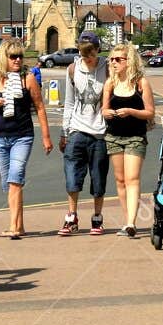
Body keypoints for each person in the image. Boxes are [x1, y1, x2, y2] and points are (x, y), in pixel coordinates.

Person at [0, 38, 52, 240]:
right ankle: (19, 225)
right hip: (1, 138)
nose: (18, 60)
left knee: (15, 179)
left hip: (23, 136)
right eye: (13, 56)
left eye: (20, 55)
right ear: (4, 58)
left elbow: (39, 107)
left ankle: (13, 226)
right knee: (9, 184)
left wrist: (46, 136)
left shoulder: (27, 78)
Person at [101, 42, 156, 238]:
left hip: (135, 136)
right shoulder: (110, 83)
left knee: (132, 178)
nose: (114, 63)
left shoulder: (141, 83)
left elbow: (150, 112)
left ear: (129, 61)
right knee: (120, 180)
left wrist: (131, 111)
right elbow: (104, 109)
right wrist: (106, 112)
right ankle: (126, 222)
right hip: (114, 136)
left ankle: (132, 222)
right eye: (112, 59)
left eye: (118, 59)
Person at [59, 32, 109, 235]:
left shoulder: (107, 68)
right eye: (84, 53)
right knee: (72, 177)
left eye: (91, 53)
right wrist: (64, 132)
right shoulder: (72, 69)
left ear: (98, 49)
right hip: (77, 130)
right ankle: (71, 216)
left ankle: (97, 218)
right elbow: (69, 103)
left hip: (100, 132)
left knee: (98, 179)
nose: (88, 58)